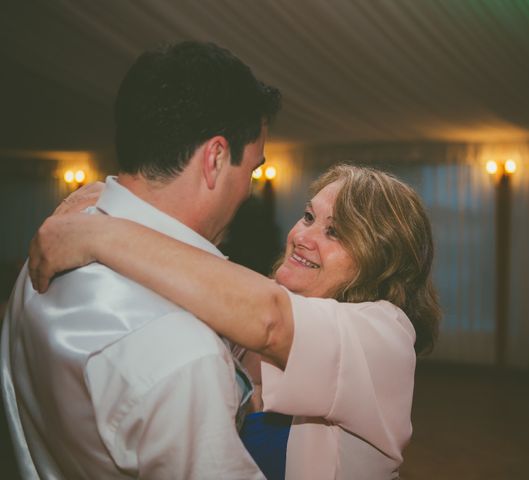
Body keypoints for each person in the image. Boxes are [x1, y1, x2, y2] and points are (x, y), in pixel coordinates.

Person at [30, 164, 441, 479]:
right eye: (308, 216)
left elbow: (267, 318)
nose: (303, 236)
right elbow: (213, 278)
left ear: (380, 262)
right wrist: (118, 203)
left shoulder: (386, 335)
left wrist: (99, 235)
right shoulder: (264, 299)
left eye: (335, 233)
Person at [1, 40, 281, 479]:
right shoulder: (183, 354)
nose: (248, 187)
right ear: (216, 158)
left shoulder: (47, 249)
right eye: (252, 168)